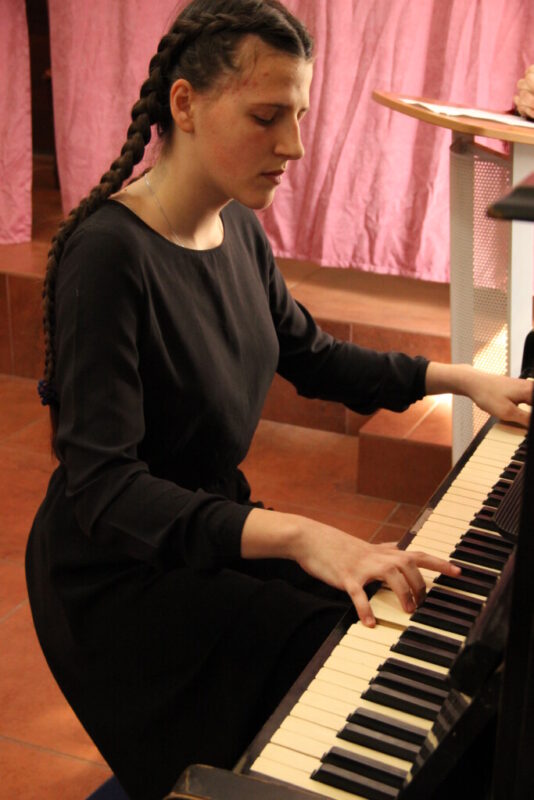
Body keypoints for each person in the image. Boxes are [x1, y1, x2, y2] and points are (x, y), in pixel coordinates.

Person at [26, 2, 532, 799]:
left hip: (207, 531)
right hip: (122, 576)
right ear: (185, 104)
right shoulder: (108, 257)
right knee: (335, 655)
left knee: (383, 620)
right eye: (267, 117)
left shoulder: (236, 230)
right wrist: (302, 535)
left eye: (299, 117)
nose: (293, 146)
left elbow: (314, 356)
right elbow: (107, 490)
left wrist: (463, 379)